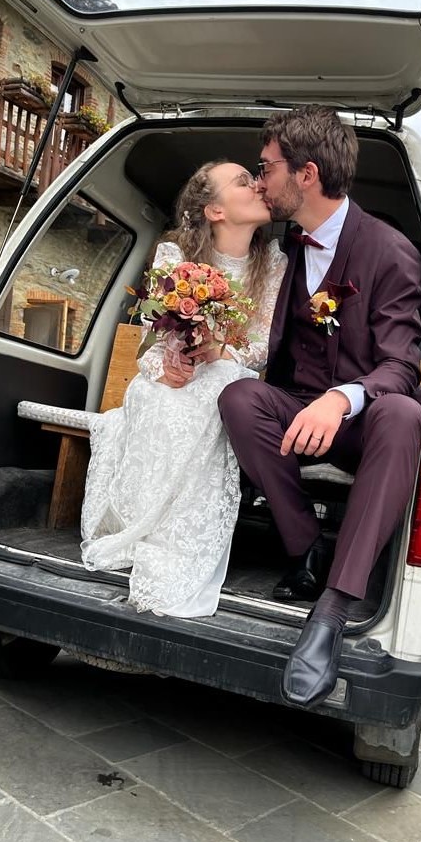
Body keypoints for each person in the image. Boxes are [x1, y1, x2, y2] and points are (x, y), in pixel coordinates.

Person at [218, 106, 421, 709]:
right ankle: (304, 544)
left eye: (267, 168)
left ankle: (332, 610)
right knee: (239, 398)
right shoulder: (281, 248)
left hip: (362, 420)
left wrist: (341, 399)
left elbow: (401, 366)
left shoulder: (390, 251)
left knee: (403, 413)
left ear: (306, 174)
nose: (261, 180)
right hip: (294, 405)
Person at [81, 160, 287, 618]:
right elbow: (150, 341)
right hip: (173, 374)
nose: (257, 184)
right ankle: (145, 526)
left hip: (229, 372)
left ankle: (178, 541)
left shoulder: (274, 263)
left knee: (219, 391)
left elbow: (262, 347)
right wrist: (167, 365)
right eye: (243, 181)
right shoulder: (174, 256)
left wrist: (220, 350)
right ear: (215, 210)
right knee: (154, 394)